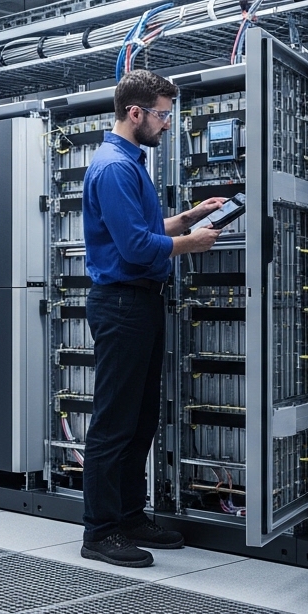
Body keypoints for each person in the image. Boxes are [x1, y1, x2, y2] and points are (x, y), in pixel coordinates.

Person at [79, 69, 226, 568]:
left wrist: (187, 218)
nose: (167, 124)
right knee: (113, 423)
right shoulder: (114, 168)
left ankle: (129, 517)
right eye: (162, 115)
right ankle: (100, 531)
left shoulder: (128, 163)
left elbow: (140, 229)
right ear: (135, 112)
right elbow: (136, 247)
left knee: (140, 419)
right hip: (122, 304)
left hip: (139, 303)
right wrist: (191, 244)